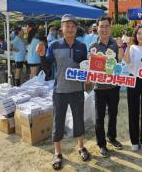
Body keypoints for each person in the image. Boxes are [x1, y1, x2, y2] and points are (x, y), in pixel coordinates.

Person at [38, 14, 90, 170]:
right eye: (67, 26)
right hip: (59, 90)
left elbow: (84, 66)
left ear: (76, 29)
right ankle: (57, 152)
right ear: (62, 28)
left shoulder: (82, 46)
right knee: (58, 121)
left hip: (77, 90)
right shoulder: (54, 45)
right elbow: (47, 66)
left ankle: (81, 147)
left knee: (78, 118)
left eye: (73, 26)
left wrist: (88, 77)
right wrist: (41, 56)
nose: (70, 29)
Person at [89, 16, 124, 158]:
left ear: (110, 27)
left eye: (106, 26)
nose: (104, 29)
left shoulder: (115, 43)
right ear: (97, 28)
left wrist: (121, 47)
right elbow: (91, 67)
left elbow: (121, 61)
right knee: (99, 117)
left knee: (113, 114)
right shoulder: (93, 46)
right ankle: (101, 144)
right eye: (101, 26)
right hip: (99, 88)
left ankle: (112, 137)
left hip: (114, 87)